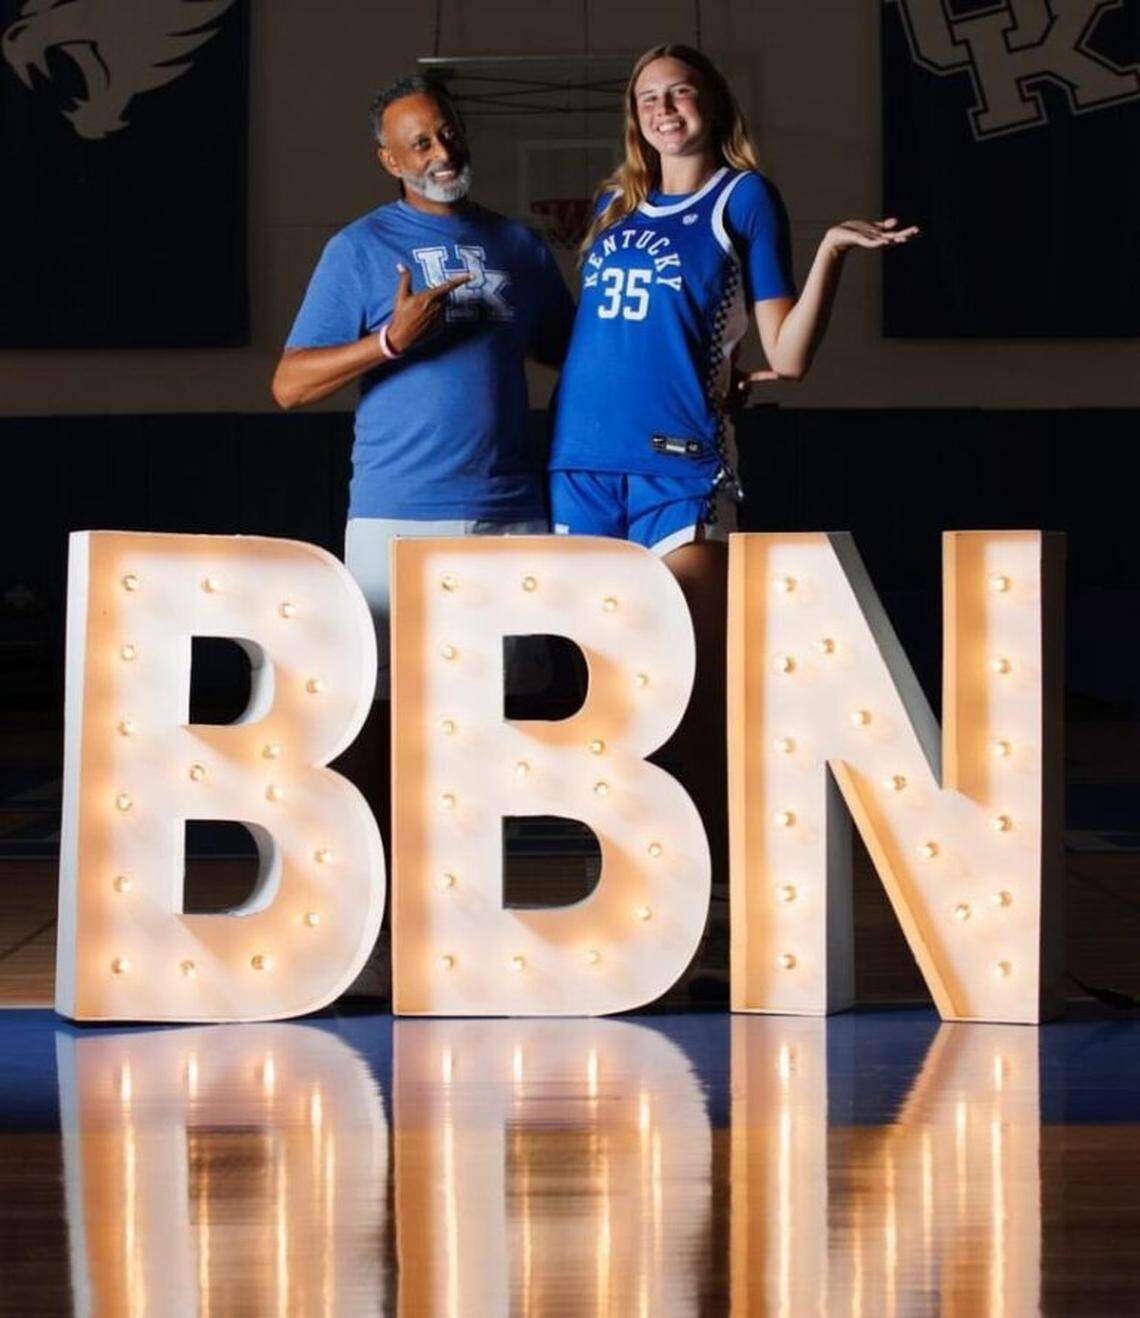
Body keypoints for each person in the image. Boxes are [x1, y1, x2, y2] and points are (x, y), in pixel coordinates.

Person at [548, 44, 919, 948]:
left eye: (680, 92)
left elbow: (786, 354)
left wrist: (833, 249)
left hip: (681, 469)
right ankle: (621, 881)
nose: (664, 108)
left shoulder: (742, 198)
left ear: (712, 103)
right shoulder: (613, 203)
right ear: (632, 115)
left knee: (694, 690)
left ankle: (714, 891)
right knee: (608, 700)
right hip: (580, 469)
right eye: (647, 96)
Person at [272, 73, 574, 825]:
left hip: (510, 511)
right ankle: (373, 895)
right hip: (399, 515)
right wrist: (386, 342)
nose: (441, 152)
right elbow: (288, 385)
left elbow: (571, 353)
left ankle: (472, 899)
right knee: (383, 712)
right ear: (390, 161)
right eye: (419, 143)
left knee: (504, 717)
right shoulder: (361, 248)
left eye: (447, 133)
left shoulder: (521, 246)